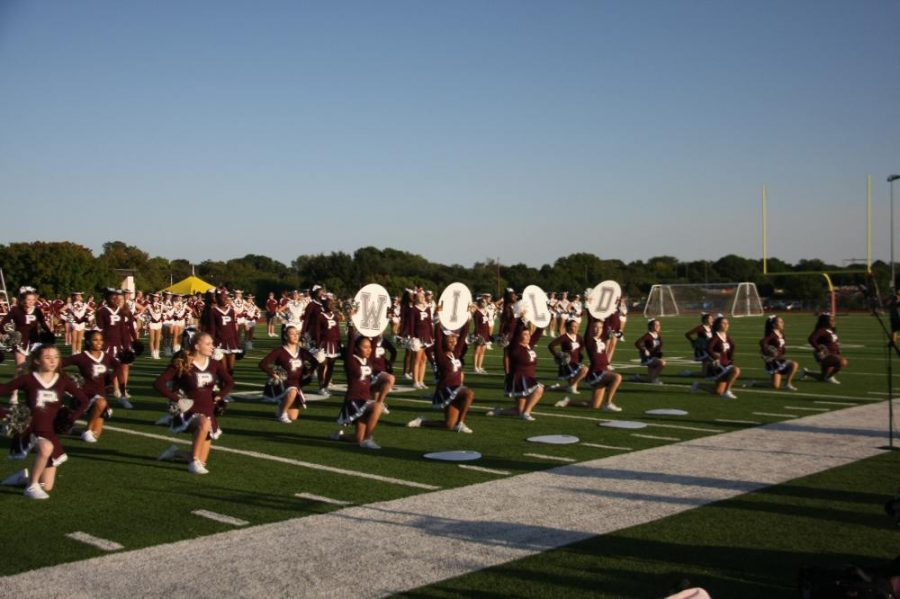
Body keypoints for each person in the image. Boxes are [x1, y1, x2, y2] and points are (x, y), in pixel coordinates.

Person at [0, 344, 89, 499]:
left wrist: (70, 419)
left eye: (56, 357)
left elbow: (83, 401)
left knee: (47, 486)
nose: (53, 361)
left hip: (50, 431)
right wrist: (6, 414)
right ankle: (31, 486)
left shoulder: (63, 381)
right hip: (30, 429)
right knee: (46, 448)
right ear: (36, 361)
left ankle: (24, 478)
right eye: (47, 358)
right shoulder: (28, 379)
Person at [154, 331, 233, 474]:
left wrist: (219, 396)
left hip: (208, 410)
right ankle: (193, 463)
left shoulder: (214, 364)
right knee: (203, 424)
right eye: (208, 344)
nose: (212, 347)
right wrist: (178, 400)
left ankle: (176, 453)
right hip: (189, 410)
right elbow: (159, 383)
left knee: (202, 461)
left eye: (212, 344)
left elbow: (229, 382)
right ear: (197, 346)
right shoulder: (183, 362)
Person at [407, 328, 475, 433]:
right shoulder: (440, 356)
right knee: (469, 393)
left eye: (454, 341)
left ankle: (422, 422)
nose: (453, 343)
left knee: (448, 425)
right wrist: (438, 321)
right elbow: (437, 339)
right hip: (447, 389)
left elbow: (462, 337)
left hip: (456, 390)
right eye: (450, 342)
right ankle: (460, 423)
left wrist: (467, 319)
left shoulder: (455, 354)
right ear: (444, 342)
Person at [61, 330, 124, 443]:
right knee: (101, 403)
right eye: (95, 340)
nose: (99, 342)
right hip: (85, 394)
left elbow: (118, 366)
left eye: (101, 340)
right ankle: (87, 430)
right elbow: (59, 364)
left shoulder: (106, 356)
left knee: (96, 435)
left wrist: (110, 380)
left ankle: (74, 430)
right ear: (89, 342)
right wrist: (68, 379)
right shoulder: (81, 357)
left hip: (101, 394)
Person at [556, 320, 623, 411]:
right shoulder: (589, 340)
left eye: (600, 327)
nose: (598, 329)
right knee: (617, 377)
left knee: (594, 405)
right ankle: (608, 403)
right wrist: (589, 310)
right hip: (596, 373)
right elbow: (590, 322)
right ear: (591, 329)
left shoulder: (602, 339)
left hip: (603, 371)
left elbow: (608, 324)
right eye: (595, 327)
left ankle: (568, 402)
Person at [259, 324, 316, 423]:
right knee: (292, 390)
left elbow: (315, 363)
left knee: (293, 417)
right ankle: (282, 414)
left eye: (297, 334)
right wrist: (272, 373)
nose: (295, 336)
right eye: (292, 334)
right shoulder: (279, 351)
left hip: (297, 383)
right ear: (285, 336)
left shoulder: (302, 351)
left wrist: (308, 373)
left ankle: (282, 406)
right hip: (284, 383)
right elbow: (262, 364)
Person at [334, 335, 383, 449]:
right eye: (365, 347)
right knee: (378, 406)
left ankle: (339, 436)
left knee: (357, 439)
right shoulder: (351, 361)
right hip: (354, 401)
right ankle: (368, 439)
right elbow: (350, 345)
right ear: (356, 348)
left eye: (369, 347)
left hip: (364, 399)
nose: (369, 350)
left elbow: (374, 342)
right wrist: (351, 327)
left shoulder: (368, 360)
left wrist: (377, 328)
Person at [486, 328, 543, 421]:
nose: (528, 336)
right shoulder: (515, 348)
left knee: (519, 411)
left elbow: (539, 332)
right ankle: (527, 413)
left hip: (529, 379)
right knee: (539, 389)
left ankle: (499, 411)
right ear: (518, 336)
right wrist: (520, 318)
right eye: (525, 334)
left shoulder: (529, 345)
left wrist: (544, 319)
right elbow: (515, 331)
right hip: (519, 380)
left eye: (529, 334)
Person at [94, 288, 137, 408]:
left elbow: (123, 330)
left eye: (118, 297)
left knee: (120, 371)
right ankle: (99, 398)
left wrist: (127, 346)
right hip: (106, 346)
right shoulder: (102, 311)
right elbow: (100, 329)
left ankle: (123, 396)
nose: (116, 299)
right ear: (107, 298)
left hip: (118, 346)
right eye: (113, 297)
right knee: (102, 371)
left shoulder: (121, 312)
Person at [691, 316, 741, 399]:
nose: (726, 325)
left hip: (726, 363)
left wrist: (731, 357)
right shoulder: (715, 337)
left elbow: (732, 346)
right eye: (724, 323)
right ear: (718, 325)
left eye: (727, 323)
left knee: (718, 392)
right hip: (718, 366)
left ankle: (698, 385)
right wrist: (715, 357)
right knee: (736, 370)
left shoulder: (726, 336)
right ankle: (727, 391)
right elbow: (708, 348)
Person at [803, 313, 848, 384]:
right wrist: (819, 349)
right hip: (825, 355)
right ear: (825, 321)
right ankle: (829, 377)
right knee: (843, 362)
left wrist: (838, 351)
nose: (834, 322)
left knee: (822, 377)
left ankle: (806, 373)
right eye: (831, 320)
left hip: (833, 355)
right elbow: (811, 339)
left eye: (834, 320)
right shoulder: (821, 330)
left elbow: (834, 343)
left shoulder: (831, 330)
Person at [759, 315, 799, 390]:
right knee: (794, 364)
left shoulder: (781, 334)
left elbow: (782, 347)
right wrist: (767, 350)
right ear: (774, 325)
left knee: (775, 385)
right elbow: (762, 342)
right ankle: (787, 384)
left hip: (780, 360)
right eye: (780, 322)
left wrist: (782, 351)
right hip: (774, 362)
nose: (783, 323)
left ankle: (754, 383)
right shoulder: (772, 334)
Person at [547, 318, 588, 394]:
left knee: (572, 387)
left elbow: (582, 345)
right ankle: (571, 386)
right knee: (584, 370)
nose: (576, 328)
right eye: (574, 326)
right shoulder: (564, 337)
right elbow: (551, 345)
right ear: (569, 327)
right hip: (567, 363)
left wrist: (579, 353)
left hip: (576, 362)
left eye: (577, 326)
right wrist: (557, 356)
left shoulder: (578, 337)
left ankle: (554, 388)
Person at [634, 318, 666, 384]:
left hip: (654, 357)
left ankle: (638, 378)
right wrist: (644, 350)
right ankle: (654, 379)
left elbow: (658, 347)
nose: (658, 326)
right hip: (647, 358)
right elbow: (637, 343)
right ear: (651, 326)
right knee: (662, 363)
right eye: (656, 325)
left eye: (659, 325)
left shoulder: (658, 336)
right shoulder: (648, 335)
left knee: (649, 378)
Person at [683, 313, 714, 377]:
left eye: (712, 318)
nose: (712, 320)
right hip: (702, 350)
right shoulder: (700, 328)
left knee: (707, 371)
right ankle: (688, 373)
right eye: (710, 319)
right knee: (706, 370)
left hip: (709, 349)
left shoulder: (712, 327)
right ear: (705, 320)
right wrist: (693, 341)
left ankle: (710, 374)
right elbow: (687, 334)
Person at [143, 292, 165, 359]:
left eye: (157, 297)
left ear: (159, 298)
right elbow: (142, 310)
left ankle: (157, 353)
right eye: (154, 297)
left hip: (159, 323)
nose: (156, 298)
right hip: (151, 323)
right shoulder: (148, 305)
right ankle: (153, 353)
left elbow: (167, 311)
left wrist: (164, 316)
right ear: (152, 297)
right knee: (152, 339)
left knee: (158, 339)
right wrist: (146, 318)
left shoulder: (161, 304)